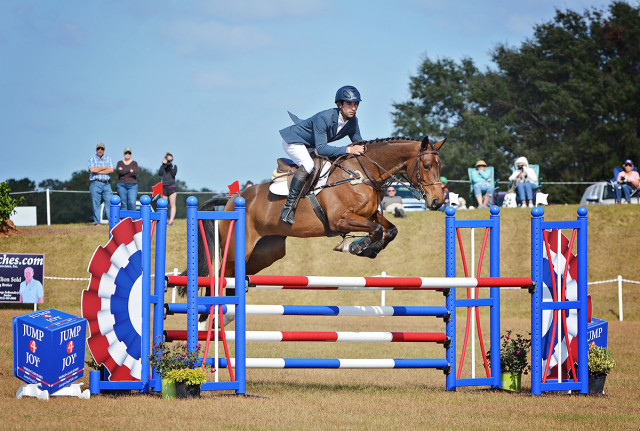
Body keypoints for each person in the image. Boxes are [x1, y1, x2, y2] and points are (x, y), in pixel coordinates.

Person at [279, 85, 366, 224]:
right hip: (294, 141)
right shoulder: (324, 118)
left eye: (356, 104)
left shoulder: (353, 121)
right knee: (308, 165)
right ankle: (288, 207)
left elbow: (359, 143)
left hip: (311, 145)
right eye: (349, 104)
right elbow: (321, 149)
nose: (353, 107)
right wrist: (349, 150)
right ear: (339, 104)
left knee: (328, 167)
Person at [88, 142, 114, 224]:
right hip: (96, 183)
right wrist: (104, 168)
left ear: (104, 150)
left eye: (102, 149)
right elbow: (92, 170)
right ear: (96, 149)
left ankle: (112, 222)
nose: (100, 150)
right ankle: (97, 222)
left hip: (107, 184)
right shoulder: (92, 158)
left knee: (110, 203)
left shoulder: (108, 158)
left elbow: (111, 170)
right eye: (98, 148)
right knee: (96, 203)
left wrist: (98, 170)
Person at [116, 147, 139, 211]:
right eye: (126, 153)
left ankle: (133, 219)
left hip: (132, 185)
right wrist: (129, 170)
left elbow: (135, 173)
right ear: (124, 154)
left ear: (131, 154)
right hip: (121, 185)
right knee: (123, 203)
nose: (127, 154)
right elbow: (119, 172)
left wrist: (124, 170)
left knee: (131, 203)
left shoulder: (134, 163)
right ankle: (124, 219)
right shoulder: (119, 163)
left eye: (129, 153)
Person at [159, 152, 177, 225]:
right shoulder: (163, 167)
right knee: (163, 205)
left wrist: (170, 165)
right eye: (168, 159)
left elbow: (173, 174)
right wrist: (163, 164)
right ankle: (164, 220)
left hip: (172, 187)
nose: (170, 161)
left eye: (171, 159)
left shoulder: (174, 166)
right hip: (163, 187)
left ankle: (171, 220)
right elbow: (160, 173)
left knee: (172, 204)